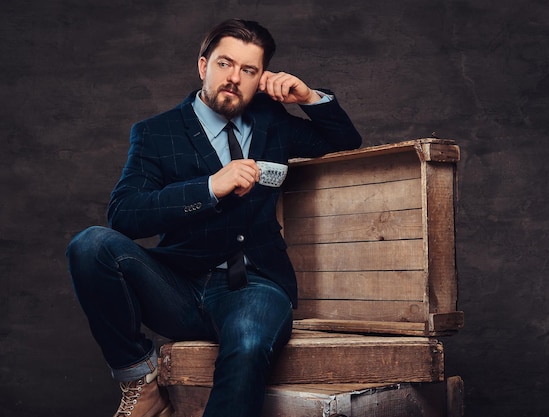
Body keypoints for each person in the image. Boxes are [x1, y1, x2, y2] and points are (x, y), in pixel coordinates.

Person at [66, 18, 361, 417]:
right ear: (203, 66)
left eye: (249, 70)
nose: (234, 78)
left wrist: (308, 97)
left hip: (255, 285)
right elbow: (125, 214)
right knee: (90, 245)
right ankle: (141, 380)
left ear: (260, 79)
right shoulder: (157, 133)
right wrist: (208, 188)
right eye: (225, 64)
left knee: (250, 344)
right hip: (178, 287)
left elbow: (345, 142)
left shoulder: (273, 122)